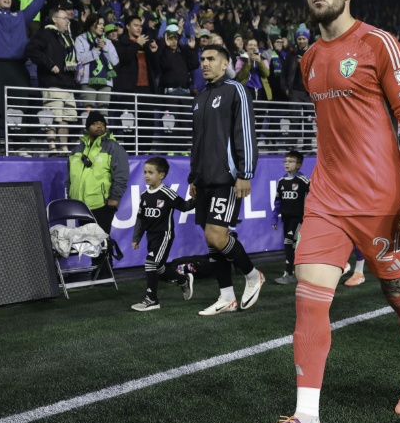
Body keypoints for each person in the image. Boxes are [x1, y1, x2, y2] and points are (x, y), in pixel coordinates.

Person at [245, 0, 400, 423]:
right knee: (309, 300)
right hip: (327, 200)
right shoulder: (309, 58)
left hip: (381, 202)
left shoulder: (378, 43)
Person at [187, 43, 264, 316]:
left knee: (216, 235)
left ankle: (253, 275)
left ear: (224, 64)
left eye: (211, 59)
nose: (205, 63)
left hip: (227, 178)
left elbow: (245, 132)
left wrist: (245, 174)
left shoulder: (236, 90)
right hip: (204, 178)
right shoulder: (199, 98)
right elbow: (196, 142)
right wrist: (193, 177)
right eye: (202, 59)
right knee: (211, 240)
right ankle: (227, 297)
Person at [130, 157, 195, 312]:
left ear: (162, 175)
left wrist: (198, 198)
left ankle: (152, 300)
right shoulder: (145, 195)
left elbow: (185, 206)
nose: (146, 175)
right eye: (145, 172)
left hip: (164, 236)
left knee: (150, 263)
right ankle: (183, 279)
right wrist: (136, 238)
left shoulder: (167, 193)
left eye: (150, 172)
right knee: (158, 268)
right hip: (150, 237)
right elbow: (141, 218)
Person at [67, 110, 129, 239]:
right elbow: (70, 177)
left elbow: (121, 174)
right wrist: (70, 197)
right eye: (95, 123)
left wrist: (115, 197)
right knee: (89, 245)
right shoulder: (76, 150)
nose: (99, 126)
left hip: (102, 205)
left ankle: (106, 260)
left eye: (102, 123)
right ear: (87, 127)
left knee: (101, 246)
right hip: (81, 206)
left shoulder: (113, 147)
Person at [26, 7, 79, 154]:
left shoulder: (67, 38)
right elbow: (31, 50)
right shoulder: (45, 34)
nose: (68, 21)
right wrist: (49, 65)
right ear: (55, 19)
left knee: (66, 118)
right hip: (52, 83)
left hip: (68, 84)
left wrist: (76, 67)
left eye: (68, 19)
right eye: (64, 18)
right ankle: (52, 147)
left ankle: (64, 147)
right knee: (52, 117)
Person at [272, 150, 310, 285]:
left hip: (298, 219)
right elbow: (277, 201)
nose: (287, 163)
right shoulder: (282, 181)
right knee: (292, 244)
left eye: (291, 161)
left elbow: (314, 196)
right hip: (286, 219)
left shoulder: (303, 180)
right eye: (286, 161)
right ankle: (295, 272)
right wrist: (274, 217)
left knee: (289, 243)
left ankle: (289, 273)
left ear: (298, 165)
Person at [74, 13, 119, 115]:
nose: (103, 27)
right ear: (91, 25)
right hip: (87, 80)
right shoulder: (80, 39)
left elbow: (115, 61)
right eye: (99, 24)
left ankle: (103, 131)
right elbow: (80, 58)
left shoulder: (107, 41)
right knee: (88, 113)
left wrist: (105, 47)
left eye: (103, 24)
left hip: (106, 81)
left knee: (103, 113)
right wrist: (97, 49)